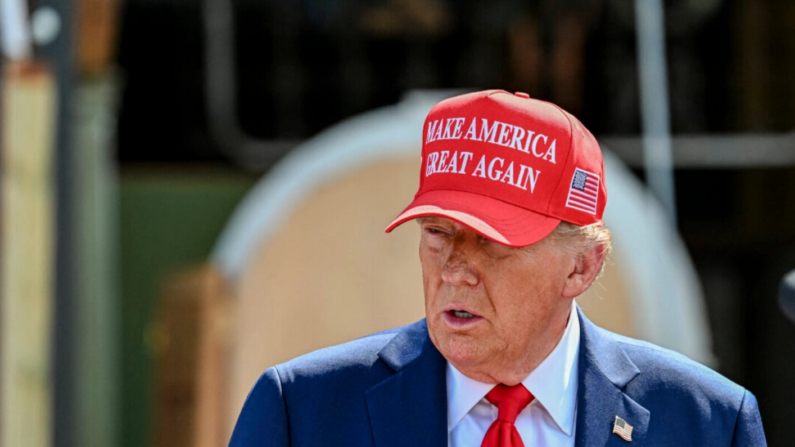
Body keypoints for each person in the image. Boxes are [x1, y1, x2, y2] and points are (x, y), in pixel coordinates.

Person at [229, 90, 766, 446]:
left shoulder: (708, 423)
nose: (455, 271)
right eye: (437, 234)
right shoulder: (301, 411)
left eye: (493, 243)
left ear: (582, 266)